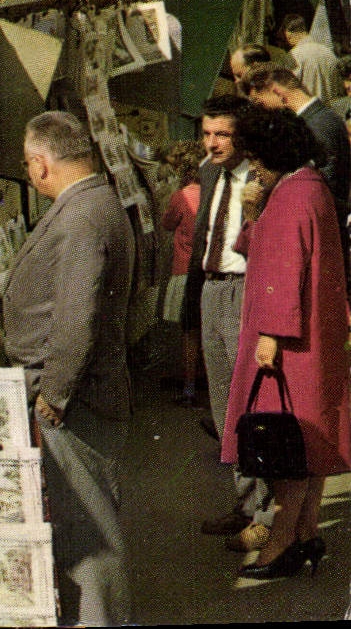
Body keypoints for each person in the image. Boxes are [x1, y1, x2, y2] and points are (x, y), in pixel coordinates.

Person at [0, 111, 134, 624]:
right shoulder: (91, 202)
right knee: (81, 523)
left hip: (76, 399)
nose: (28, 174)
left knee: (86, 531)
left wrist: (55, 394)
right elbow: (48, 280)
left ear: (42, 164)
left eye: (27, 165)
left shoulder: (81, 217)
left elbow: (75, 317)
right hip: (85, 391)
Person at [219, 106, 351, 579]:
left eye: (255, 153)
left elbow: (281, 267)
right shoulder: (311, 188)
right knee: (309, 445)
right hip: (315, 339)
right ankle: (308, 534)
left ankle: (279, 547)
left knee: (284, 450)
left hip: (285, 341)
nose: (252, 164)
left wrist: (270, 335)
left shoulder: (292, 195)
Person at [187, 95, 276, 552]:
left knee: (252, 405)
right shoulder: (209, 171)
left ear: (243, 135)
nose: (212, 143)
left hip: (245, 290)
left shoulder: (262, 177)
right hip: (212, 287)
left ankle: (266, 512)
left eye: (222, 134)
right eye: (206, 133)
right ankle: (244, 503)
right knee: (224, 406)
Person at [243, 65, 351, 220]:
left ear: (277, 93)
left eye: (260, 104)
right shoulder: (320, 119)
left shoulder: (316, 126)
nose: (263, 112)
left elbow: (322, 191)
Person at [160, 140, 207, 407]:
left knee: (188, 332)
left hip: (184, 269)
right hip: (206, 270)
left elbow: (167, 223)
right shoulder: (210, 192)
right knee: (205, 329)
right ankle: (206, 378)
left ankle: (189, 387)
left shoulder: (180, 196)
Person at [283, 15, 338, 104]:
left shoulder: (293, 56)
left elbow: (287, 88)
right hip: (331, 113)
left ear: (288, 33)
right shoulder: (328, 52)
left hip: (308, 112)